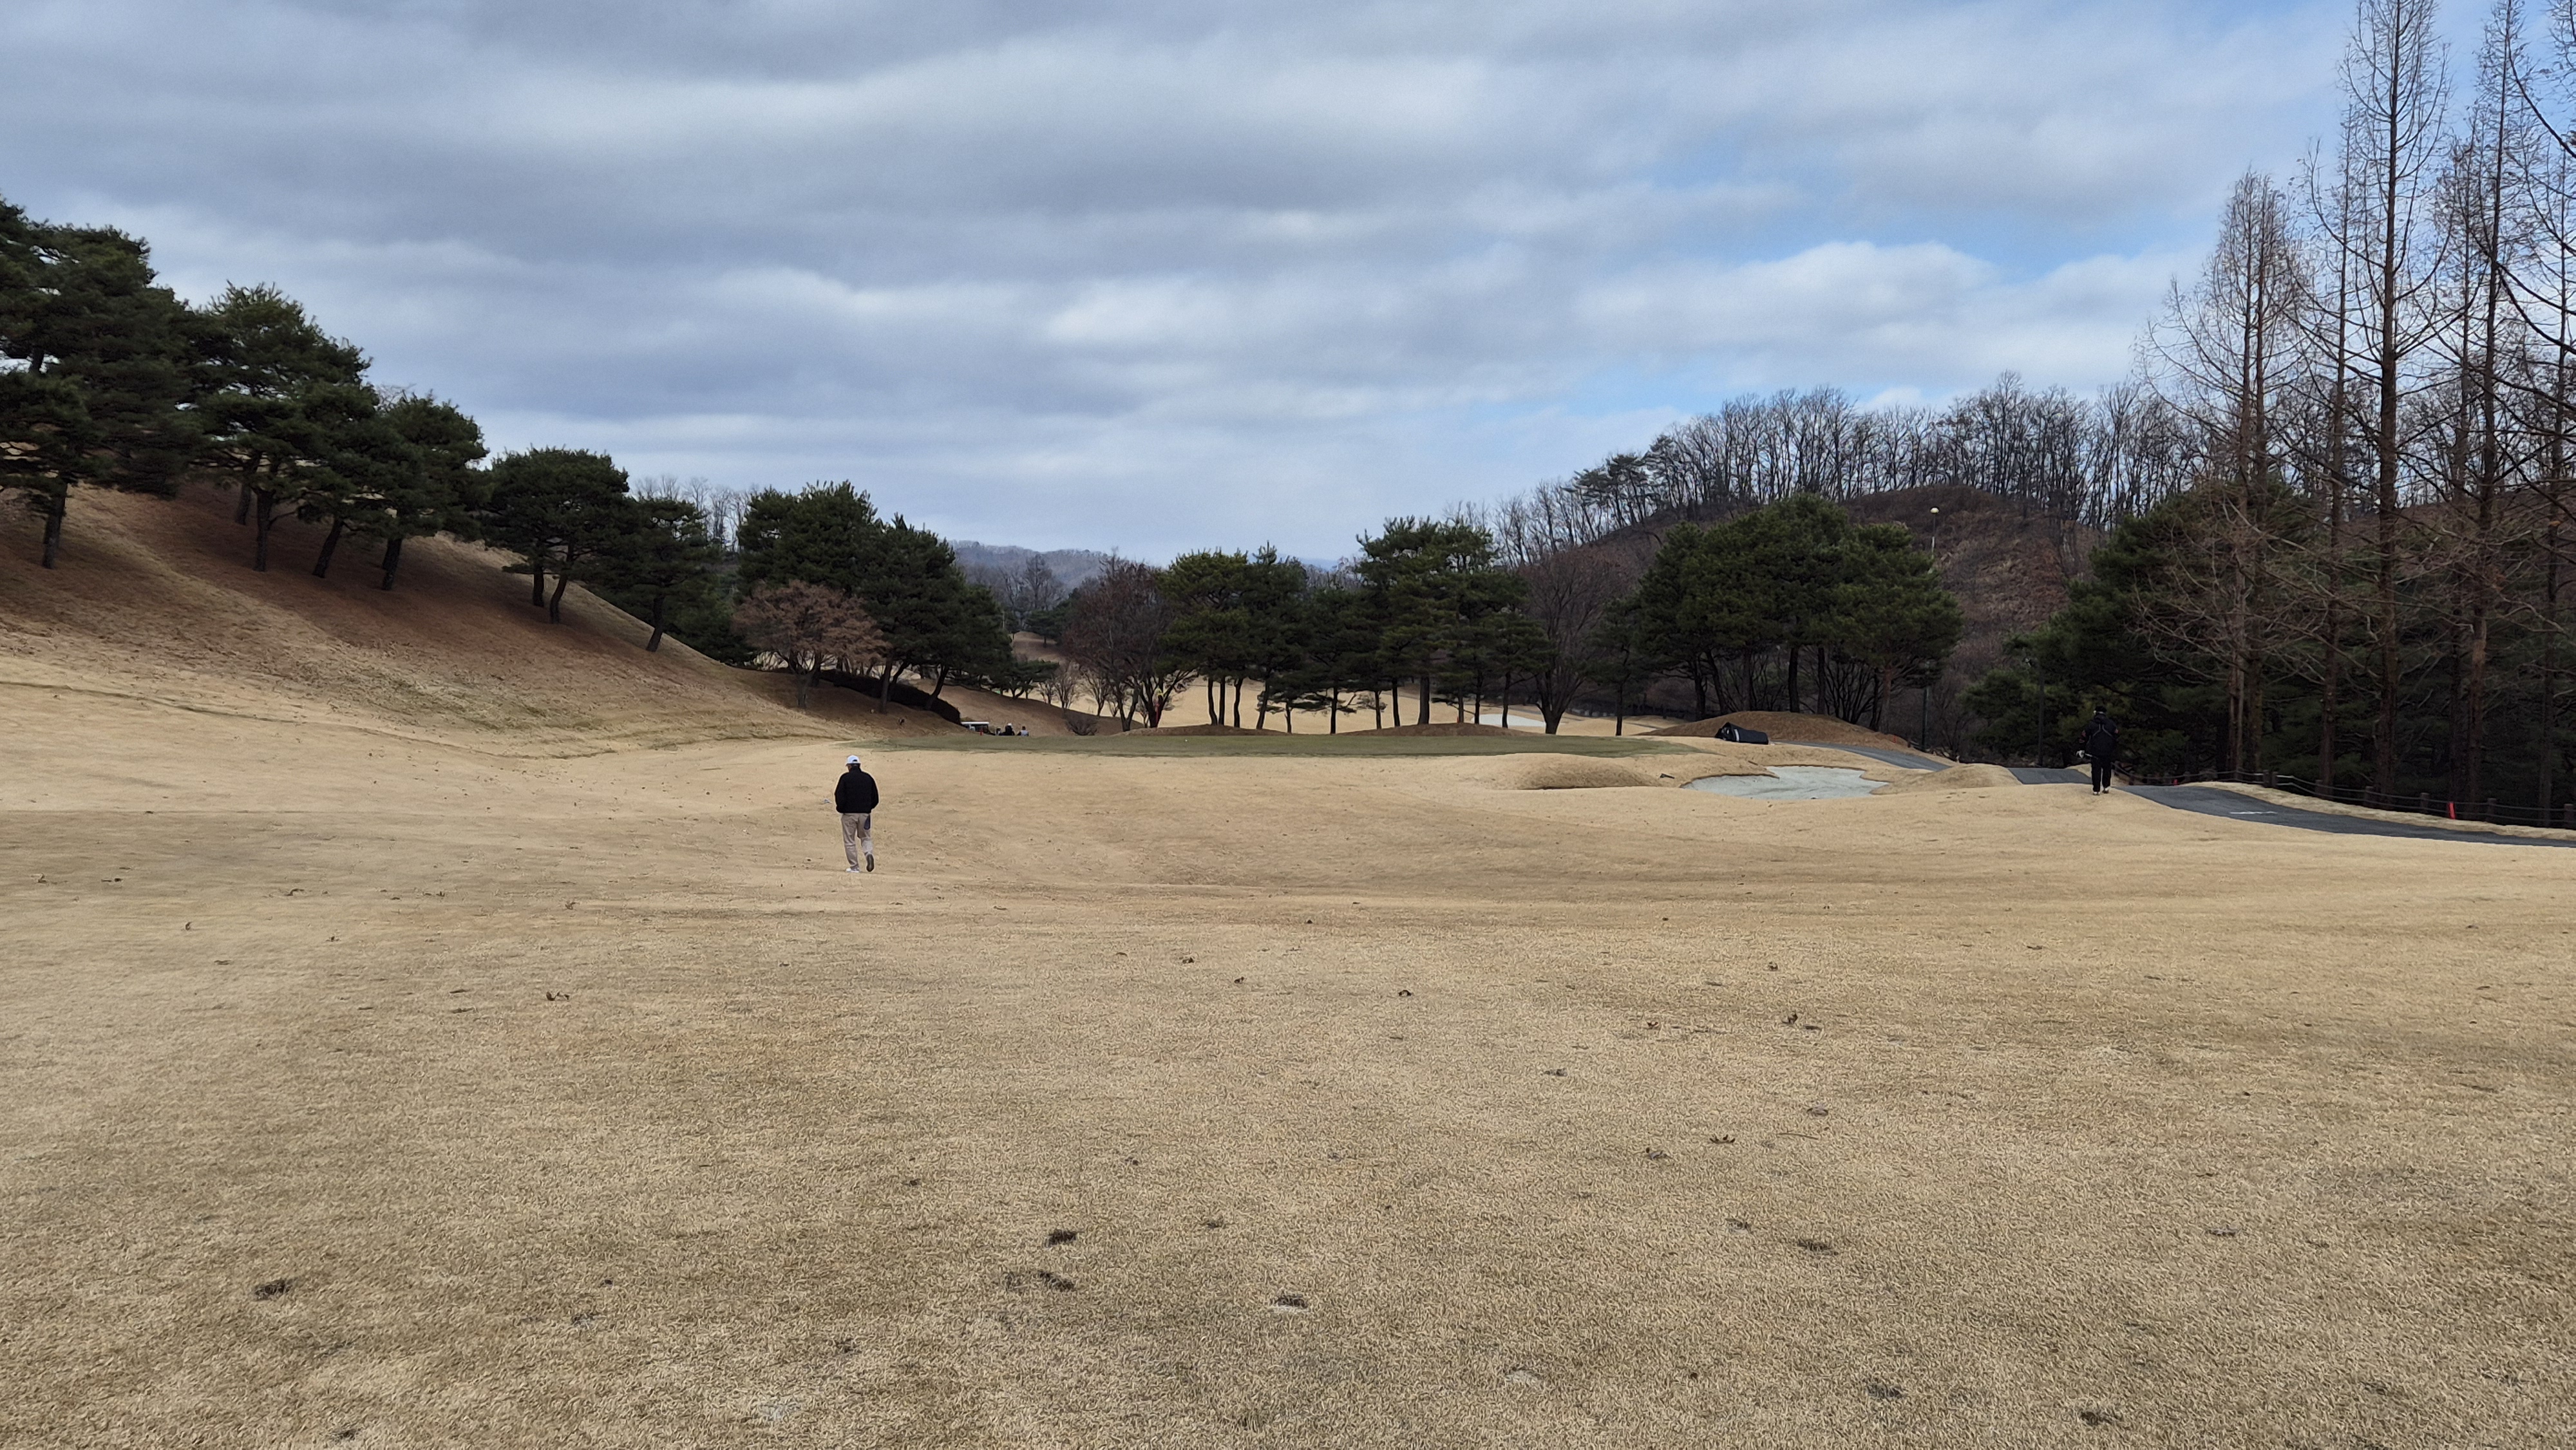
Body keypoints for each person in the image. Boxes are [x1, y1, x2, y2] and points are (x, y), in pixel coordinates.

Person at [834, 755, 880, 871]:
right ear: (859, 765)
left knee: (850, 841)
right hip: (865, 814)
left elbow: (839, 795)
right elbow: (875, 797)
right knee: (866, 837)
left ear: (849, 766)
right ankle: (868, 853)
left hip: (849, 814)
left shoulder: (845, 778)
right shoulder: (868, 778)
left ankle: (855, 867)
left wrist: (841, 809)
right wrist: (868, 808)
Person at [2081, 708, 2119, 795]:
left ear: (2095, 713)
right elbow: (2117, 737)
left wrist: (2082, 749)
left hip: (2095, 751)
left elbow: (2083, 737)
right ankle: (2106, 787)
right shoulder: (2111, 724)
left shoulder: (2091, 724)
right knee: (2107, 768)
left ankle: (2096, 789)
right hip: (2108, 751)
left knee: (2096, 770)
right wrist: (2114, 748)